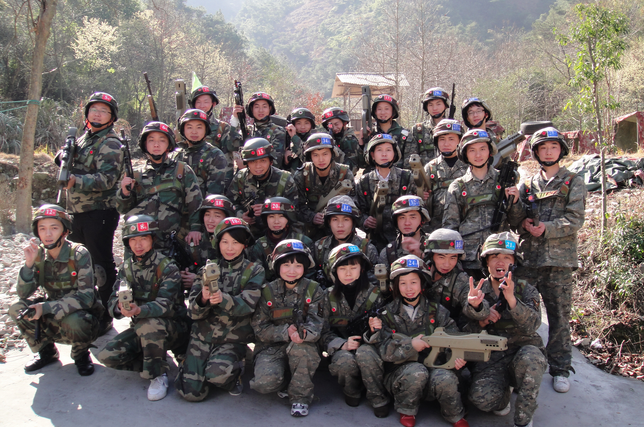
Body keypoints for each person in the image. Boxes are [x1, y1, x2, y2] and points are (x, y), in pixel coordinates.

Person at [508, 127, 586, 393]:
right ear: (536, 152)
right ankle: (518, 365)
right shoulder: (528, 184)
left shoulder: (573, 181)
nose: (549, 152)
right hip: (528, 260)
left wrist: (547, 229)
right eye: (543, 148)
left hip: (558, 262)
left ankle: (560, 368)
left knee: (559, 318)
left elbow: (575, 219)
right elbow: (516, 218)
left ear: (561, 150)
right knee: (521, 316)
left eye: (553, 147)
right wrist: (522, 220)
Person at [368, 255, 469, 427]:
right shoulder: (387, 314)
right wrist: (411, 346)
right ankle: (407, 410)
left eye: (414, 282)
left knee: (446, 378)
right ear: (396, 286)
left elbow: (453, 337)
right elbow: (383, 349)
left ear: (422, 284)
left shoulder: (437, 311)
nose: (409, 288)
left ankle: (454, 414)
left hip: (435, 369)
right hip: (401, 375)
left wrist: (456, 358)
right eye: (403, 283)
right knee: (417, 371)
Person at [98, 215, 189, 401]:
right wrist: (120, 308)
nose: (138, 245)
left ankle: (157, 374)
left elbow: (165, 305)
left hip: (174, 328)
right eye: (133, 240)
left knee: (149, 325)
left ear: (152, 240)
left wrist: (138, 311)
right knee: (108, 355)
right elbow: (112, 301)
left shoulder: (167, 267)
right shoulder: (127, 268)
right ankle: (154, 360)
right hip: (143, 329)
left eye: (143, 239)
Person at [462, 232, 547, 427]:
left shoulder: (526, 289)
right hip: (493, 356)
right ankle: (504, 392)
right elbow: (463, 331)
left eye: (506, 257)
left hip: (522, 350)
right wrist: (480, 318)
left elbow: (533, 325)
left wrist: (512, 300)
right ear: (486, 262)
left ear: (514, 262)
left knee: (532, 360)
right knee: (482, 399)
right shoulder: (478, 290)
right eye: (494, 257)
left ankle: (524, 419)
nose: (500, 262)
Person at [175, 217, 265, 401]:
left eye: (235, 242)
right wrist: (203, 299)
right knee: (192, 394)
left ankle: (235, 371)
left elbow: (248, 306)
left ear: (244, 244)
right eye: (225, 242)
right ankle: (196, 365)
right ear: (217, 243)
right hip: (202, 336)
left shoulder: (254, 271)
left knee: (217, 374)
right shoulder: (207, 270)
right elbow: (193, 312)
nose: (229, 248)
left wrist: (223, 299)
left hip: (232, 338)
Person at [9, 204, 101, 376]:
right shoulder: (39, 254)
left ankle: (81, 355)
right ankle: (46, 352)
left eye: (54, 228)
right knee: (17, 308)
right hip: (53, 314)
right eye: (42, 228)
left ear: (65, 231)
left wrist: (45, 308)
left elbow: (86, 298)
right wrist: (29, 264)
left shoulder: (79, 254)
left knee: (76, 321)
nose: (48, 234)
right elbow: (23, 294)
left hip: (78, 317)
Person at [58, 91, 122, 335]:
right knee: (81, 265)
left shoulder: (110, 142)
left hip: (99, 212)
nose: (97, 114)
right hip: (76, 212)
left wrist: (76, 180)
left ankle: (107, 314)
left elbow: (107, 179)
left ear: (111, 117)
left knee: (101, 266)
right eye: (94, 110)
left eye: (103, 111)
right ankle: (86, 309)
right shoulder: (84, 138)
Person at [250, 240, 324, 417]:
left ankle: (301, 397)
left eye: (298, 265)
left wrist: (303, 334)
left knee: (302, 349)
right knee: (264, 384)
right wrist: (284, 332)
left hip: (302, 344)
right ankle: (285, 380)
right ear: (277, 266)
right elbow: (259, 328)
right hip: (271, 346)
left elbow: (317, 323)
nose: (292, 270)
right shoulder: (267, 291)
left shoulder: (314, 290)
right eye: (286, 265)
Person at [321, 244, 390, 418]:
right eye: (342, 268)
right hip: (342, 347)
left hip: (369, 345)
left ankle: (377, 397)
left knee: (366, 355)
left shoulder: (374, 294)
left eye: (353, 267)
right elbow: (322, 331)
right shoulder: (327, 297)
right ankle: (352, 390)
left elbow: (388, 330)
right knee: (344, 362)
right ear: (334, 271)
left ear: (362, 268)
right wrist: (342, 344)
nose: (348, 273)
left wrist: (374, 331)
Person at [442, 129, 520, 281]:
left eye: (482, 149)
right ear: (465, 154)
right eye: (472, 150)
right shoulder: (457, 187)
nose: (478, 155)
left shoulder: (503, 181)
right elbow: (450, 227)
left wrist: (515, 202)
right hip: (469, 260)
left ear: (490, 151)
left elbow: (517, 222)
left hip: (500, 258)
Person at [117, 121, 203, 254]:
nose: (156, 145)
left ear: (169, 144)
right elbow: (123, 209)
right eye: (151, 140)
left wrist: (195, 228)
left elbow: (195, 202)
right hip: (140, 243)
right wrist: (124, 192)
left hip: (172, 240)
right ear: (145, 144)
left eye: (162, 140)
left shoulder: (182, 170)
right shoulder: (135, 174)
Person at [226, 137, 299, 237]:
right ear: (247, 163)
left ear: (271, 161)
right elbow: (230, 203)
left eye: (263, 161)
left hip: (279, 232)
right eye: (253, 162)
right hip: (247, 232)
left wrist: (268, 209)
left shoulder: (285, 179)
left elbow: (295, 210)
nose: (258, 166)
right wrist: (240, 215)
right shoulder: (240, 178)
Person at [355, 134, 416, 252]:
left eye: (388, 150)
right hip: (374, 242)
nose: (384, 154)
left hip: (404, 240)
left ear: (394, 154)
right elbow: (357, 210)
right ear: (372, 155)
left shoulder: (407, 178)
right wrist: (365, 221)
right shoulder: (364, 182)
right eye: (379, 150)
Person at [293, 132, 355, 241]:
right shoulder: (302, 175)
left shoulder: (344, 173)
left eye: (325, 154)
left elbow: (354, 203)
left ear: (332, 154)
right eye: (315, 155)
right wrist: (312, 216)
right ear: (310, 156)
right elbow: (297, 206)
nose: (321, 159)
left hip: (339, 226)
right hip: (311, 228)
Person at [313, 195, 380, 287]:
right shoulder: (319, 248)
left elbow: (374, 283)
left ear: (353, 222)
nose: (340, 225)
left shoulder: (367, 249)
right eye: (335, 219)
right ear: (329, 222)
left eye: (346, 219)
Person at [248, 197, 313, 281]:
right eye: (271, 216)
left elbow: (310, 273)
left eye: (281, 216)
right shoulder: (259, 246)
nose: (276, 221)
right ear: (266, 219)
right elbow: (257, 276)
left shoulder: (304, 242)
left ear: (288, 218)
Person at [182, 194, 235, 291]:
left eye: (217, 216)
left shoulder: (237, 244)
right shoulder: (195, 243)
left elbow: (236, 277)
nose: (210, 220)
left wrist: (199, 280)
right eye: (207, 215)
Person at [423, 119, 468, 233]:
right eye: (442, 139)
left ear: (460, 141)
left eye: (451, 139)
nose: (446, 144)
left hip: (466, 229)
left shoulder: (470, 166)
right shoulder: (430, 168)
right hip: (436, 230)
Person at [172, 108, 229, 196]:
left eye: (199, 127)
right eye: (189, 127)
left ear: (206, 130)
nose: (194, 132)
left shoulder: (215, 156)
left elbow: (213, 194)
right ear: (183, 130)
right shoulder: (175, 156)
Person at [188, 85, 242, 175]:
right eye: (198, 102)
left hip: (219, 178)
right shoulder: (185, 128)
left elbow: (233, 146)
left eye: (206, 102)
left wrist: (234, 123)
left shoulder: (222, 128)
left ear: (213, 104)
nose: (202, 106)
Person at [231, 91, 288, 169]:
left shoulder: (278, 131)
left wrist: (247, 166)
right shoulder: (247, 131)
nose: (261, 110)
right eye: (256, 107)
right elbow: (231, 146)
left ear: (270, 108)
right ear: (251, 109)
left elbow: (276, 162)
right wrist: (234, 120)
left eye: (264, 107)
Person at [379, 195, 431, 267]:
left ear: (422, 220)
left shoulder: (433, 245)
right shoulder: (388, 253)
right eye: (402, 217)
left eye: (413, 217)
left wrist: (422, 258)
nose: (407, 223)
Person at [362, 94, 410, 169]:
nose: (383, 112)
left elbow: (408, 163)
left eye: (387, 109)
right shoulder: (370, 132)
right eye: (379, 109)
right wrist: (362, 141)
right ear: (375, 112)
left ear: (393, 111)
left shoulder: (404, 135)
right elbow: (362, 163)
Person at [407, 88, 451, 166]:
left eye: (438, 104)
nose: (434, 108)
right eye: (430, 105)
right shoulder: (418, 130)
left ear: (445, 105)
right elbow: (409, 161)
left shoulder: (454, 128)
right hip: (424, 172)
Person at [321, 107, 365, 173]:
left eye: (336, 124)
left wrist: (334, 148)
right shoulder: (332, 137)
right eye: (330, 125)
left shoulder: (349, 140)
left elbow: (352, 168)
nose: (334, 128)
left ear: (344, 123)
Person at [285, 107, 318, 171]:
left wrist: (294, 137)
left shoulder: (315, 140)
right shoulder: (285, 139)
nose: (303, 127)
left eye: (306, 123)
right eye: (298, 123)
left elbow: (307, 158)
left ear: (311, 125)